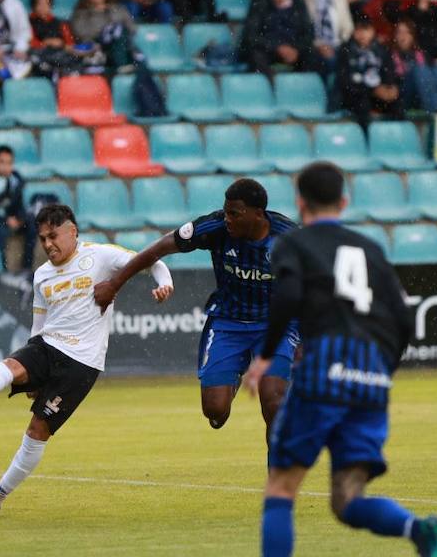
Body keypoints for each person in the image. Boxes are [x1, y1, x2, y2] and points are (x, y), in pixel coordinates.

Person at [230, 161, 437, 557]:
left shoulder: (294, 243)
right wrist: (379, 370)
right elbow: (404, 320)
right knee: (347, 501)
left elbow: (286, 298)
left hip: (323, 371)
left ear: (301, 202)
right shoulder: (369, 248)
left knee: (282, 488)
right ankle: (419, 529)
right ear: (344, 203)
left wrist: (266, 357)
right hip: (370, 378)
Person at [0, 203, 174, 518]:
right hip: (47, 344)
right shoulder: (42, 275)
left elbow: (150, 259)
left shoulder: (100, 256)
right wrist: (32, 370)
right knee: (11, 366)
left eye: (53, 236)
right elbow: (39, 324)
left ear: (72, 231)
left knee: (37, 429)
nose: (48, 245)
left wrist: (165, 282)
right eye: (43, 239)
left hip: (81, 363)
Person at [94, 177, 300, 435]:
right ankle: (234, 373)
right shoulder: (216, 227)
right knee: (215, 413)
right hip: (228, 322)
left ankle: (277, 475)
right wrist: (115, 284)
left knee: (274, 403)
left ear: (258, 214)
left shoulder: (290, 239)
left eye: (234, 214)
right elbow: (159, 248)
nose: (227, 218)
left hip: (276, 325)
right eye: (225, 212)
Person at [240, 0, 315, 78]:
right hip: (269, 50)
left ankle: (301, 90)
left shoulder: (298, 5)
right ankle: (273, 89)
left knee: (314, 56)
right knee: (255, 55)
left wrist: (295, 49)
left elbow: (308, 34)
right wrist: (277, 47)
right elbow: (251, 36)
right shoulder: (259, 5)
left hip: (293, 50)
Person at [335, 16, 401, 129]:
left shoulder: (382, 50)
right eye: (359, 30)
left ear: (372, 31)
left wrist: (390, 87)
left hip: (378, 94)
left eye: (366, 30)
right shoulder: (345, 50)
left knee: (398, 104)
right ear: (354, 32)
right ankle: (367, 141)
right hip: (355, 95)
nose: (362, 34)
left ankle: (398, 138)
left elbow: (389, 72)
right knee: (362, 104)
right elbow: (345, 81)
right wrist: (373, 90)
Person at [302, 0, 352, 74]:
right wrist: (319, 45)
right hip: (315, 46)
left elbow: (348, 27)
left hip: (338, 45)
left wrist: (340, 44)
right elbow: (304, 29)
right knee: (328, 61)